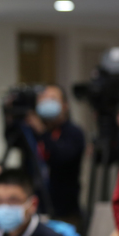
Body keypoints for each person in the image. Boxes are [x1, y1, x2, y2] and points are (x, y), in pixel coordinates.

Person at [25, 84, 85, 226]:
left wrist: (42, 132)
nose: (47, 102)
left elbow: (62, 157)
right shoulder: (32, 132)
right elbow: (11, 138)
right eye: (43, 98)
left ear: (65, 105)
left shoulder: (73, 132)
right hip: (35, 209)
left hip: (65, 211)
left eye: (52, 99)